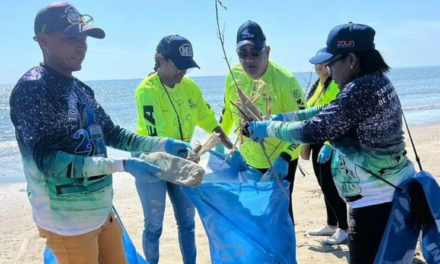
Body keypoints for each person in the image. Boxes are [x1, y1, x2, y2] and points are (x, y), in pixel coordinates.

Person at [9, 3, 191, 263]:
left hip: (103, 214)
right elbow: (49, 163)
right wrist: (122, 165)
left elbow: (115, 134)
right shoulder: (34, 88)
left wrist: (162, 144)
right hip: (68, 225)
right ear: (43, 39)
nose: (81, 45)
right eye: (72, 38)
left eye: (84, 38)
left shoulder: (81, 90)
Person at [247, 22, 416, 264]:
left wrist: (269, 128)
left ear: (351, 59)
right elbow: (327, 110)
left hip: (376, 202)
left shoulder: (361, 90)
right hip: (388, 192)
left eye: (330, 63)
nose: (328, 69)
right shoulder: (375, 81)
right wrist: (283, 117)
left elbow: (315, 129)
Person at [134, 35, 245, 264]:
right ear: (160, 59)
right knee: (154, 225)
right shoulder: (146, 90)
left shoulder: (189, 87)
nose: (183, 72)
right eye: (178, 65)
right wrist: (189, 154)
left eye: (187, 66)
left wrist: (231, 148)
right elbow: (158, 137)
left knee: (187, 222)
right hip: (151, 163)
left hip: (183, 160)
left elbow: (208, 120)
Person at [217, 20, 306, 222]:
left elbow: (302, 125)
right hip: (248, 160)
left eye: (255, 52)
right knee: (252, 216)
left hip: (280, 158)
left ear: (267, 51)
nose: (249, 60)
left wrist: (284, 158)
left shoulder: (285, 80)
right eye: (243, 54)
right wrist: (223, 147)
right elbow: (228, 115)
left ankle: (286, 253)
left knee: (280, 215)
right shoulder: (233, 76)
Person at [304, 48, 348, 244]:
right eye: (316, 63)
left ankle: (344, 227)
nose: (318, 66)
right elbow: (307, 111)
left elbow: (338, 117)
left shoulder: (335, 85)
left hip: (329, 141)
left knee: (331, 186)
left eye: (322, 62)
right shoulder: (316, 86)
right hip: (315, 140)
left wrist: (329, 143)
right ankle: (331, 224)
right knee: (323, 185)